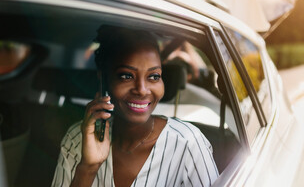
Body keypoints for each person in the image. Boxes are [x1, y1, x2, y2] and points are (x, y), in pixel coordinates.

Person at [51, 26, 218, 187]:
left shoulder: (188, 144)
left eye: (153, 76)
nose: (142, 90)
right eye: (126, 76)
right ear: (103, 79)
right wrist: (88, 168)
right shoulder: (77, 139)